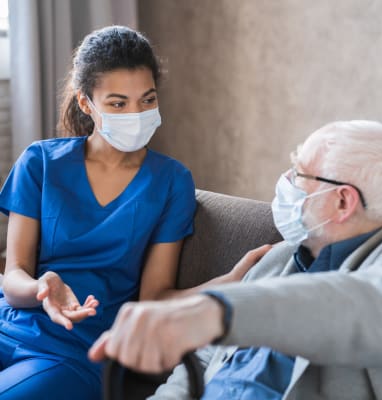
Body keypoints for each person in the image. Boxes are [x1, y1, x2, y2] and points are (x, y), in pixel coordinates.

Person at [0, 26, 258, 400]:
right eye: (118, 103)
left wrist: (228, 283)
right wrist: (42, 287)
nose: (136, 113)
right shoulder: (41, 162)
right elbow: (13, 276)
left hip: (74, 352)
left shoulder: (171, 182)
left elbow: (154, 297)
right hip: (11, 322)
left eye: (147, 100)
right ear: (86, 103)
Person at [90, 120, 382, 400]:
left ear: (342, 201)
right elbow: (202, 358)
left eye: (299, 172)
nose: (286, 180)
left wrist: (217, 311)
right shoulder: (278, 257)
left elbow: (367, 305)